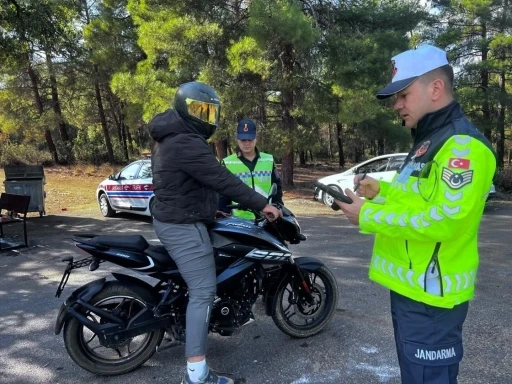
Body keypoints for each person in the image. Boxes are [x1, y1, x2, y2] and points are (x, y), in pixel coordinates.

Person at [335, 45, 497, 383]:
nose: (397, 105)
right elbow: (419, 201)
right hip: (414, 291)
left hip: (432, 299)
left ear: (435, 89)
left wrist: (368, 216)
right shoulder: (429, 141)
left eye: (404, 94)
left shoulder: (463, 147)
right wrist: (381, 192)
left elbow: (444, 220)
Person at [148, 81, 282, 384]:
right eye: (200, 110)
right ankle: (196, 375)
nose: (206, 117)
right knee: (204, 291)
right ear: (184, 108)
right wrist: (264, 205)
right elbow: (222, 179)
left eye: (209, 111)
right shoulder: (185, 140)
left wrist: (211, 212)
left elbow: (189, 185)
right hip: (182, 225)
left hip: (182, 216)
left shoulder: (172, 135)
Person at [218, 119, 283, 219]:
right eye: (243, 140)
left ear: (256, 138)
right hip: (239, 222)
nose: (246, 143)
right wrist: (223, 216)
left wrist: (277, 207)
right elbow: (223, 194)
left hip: (266, 219)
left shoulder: (268, 160)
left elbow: (277, 188)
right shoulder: (227, 163)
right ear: (237, 139)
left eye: (250, 139)